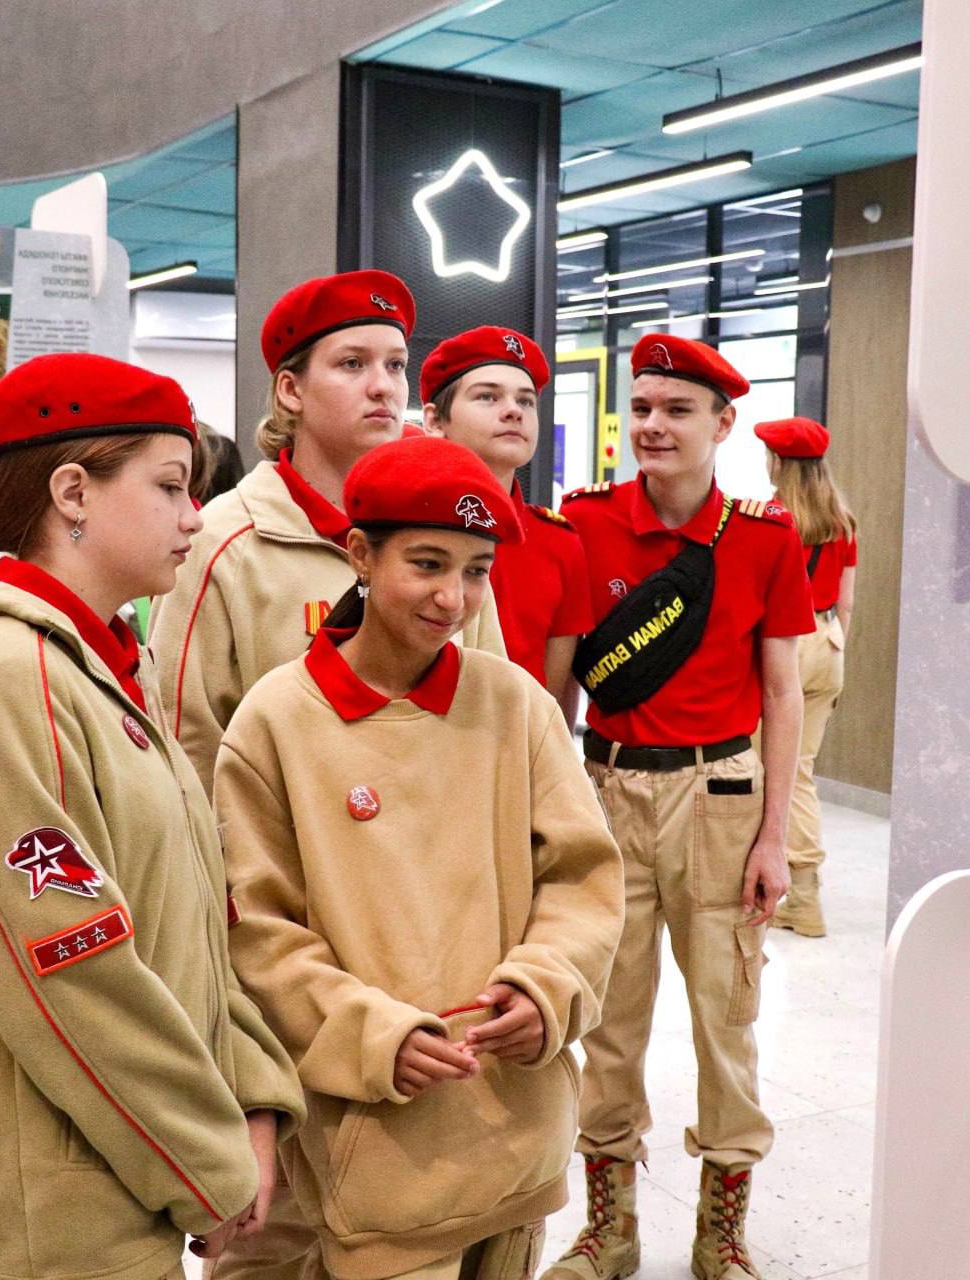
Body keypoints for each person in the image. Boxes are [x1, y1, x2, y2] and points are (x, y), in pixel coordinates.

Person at [0, 353, 305, 1280]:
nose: (194, 516)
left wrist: (252, 1091)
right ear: (73, 493)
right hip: (49, 1188)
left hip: (115, 1153)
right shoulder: (6, 680)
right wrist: (205, 1161)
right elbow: (71, 970)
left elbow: (188, 914)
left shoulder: (104, 665)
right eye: (171, 486)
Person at [215, 435, 624, 1280]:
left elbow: (583, 878)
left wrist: (547, 985)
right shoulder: (275, 723)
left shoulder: (515, 703)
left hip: (517, 1141)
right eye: (428, 564)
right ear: (360, 555)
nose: (453, 597)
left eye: (476, 572)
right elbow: (255, 935)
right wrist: (372, 1035)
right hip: (374, 1163)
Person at [543, 335, 813, 1280]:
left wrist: (776, 838)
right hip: (607, 790)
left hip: (722, 798)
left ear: (723, 423)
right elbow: (558, 688)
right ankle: (609, 1230)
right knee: (607, 1025)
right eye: (643, 408)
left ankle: (719, 1233)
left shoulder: (766, 538)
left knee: (725, 1023)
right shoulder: (583, 525)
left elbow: (783, 693)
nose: (654, 426)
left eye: (678, 411)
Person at [149, 270, 504, 801]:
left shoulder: (448, 529)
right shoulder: (225, 542)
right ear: (291, 390)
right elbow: (188, 745)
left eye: (396, 365)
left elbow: (492, 706)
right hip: (285, 844)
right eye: (353, 364)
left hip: (438, 834)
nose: (383, 386)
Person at [421, 326, 592, 713]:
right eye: (488, 396)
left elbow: (554, 696)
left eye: (526, 401)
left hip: (519, 740)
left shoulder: (558, 542)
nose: (514, 410)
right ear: (435, 420)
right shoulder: (399, 530)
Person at [754, 417, 857, 938]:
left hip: (785, 647)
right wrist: (834, 650)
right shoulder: (843, 522)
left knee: (774, 773)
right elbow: (847, 602)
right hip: (829, 642)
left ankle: (792, 892)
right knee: (801, 771)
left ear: (778, 462)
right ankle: (806, 893)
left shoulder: (771, 520)